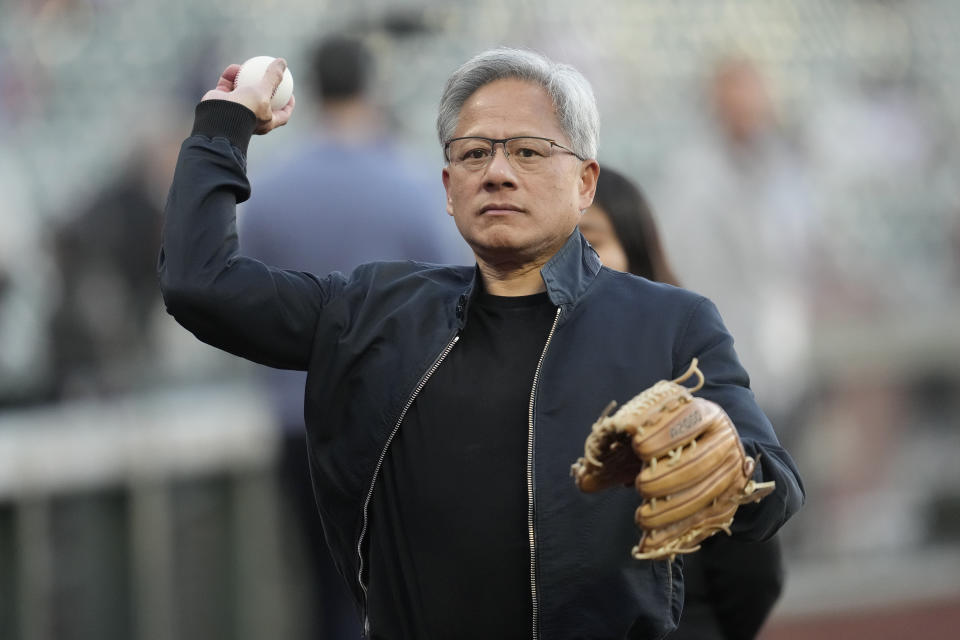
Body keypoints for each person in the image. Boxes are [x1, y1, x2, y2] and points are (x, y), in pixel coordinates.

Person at [158, 48, 804, 639]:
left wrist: (736, 468)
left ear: (585, 182)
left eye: (527, 151)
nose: (496, 172)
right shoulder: (375, 311)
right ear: (446, 190)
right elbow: (200, 284)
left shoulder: (671, 323)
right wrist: (224, 122)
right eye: (472, 154)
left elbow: (775, 492)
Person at [237, 34, 466, 640]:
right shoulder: (413, 183)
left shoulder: (271, 192)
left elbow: (241, 302)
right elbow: (452, 296)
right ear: (372, 86)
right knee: (395, 588)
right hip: (394, 420)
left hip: (299, 418)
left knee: (325, 588)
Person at [581, 166, 785, 640]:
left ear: (637, 255)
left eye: (591, 241)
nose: (571, 261)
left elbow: (754, 575)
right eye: (554, 247)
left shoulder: (690, 373)